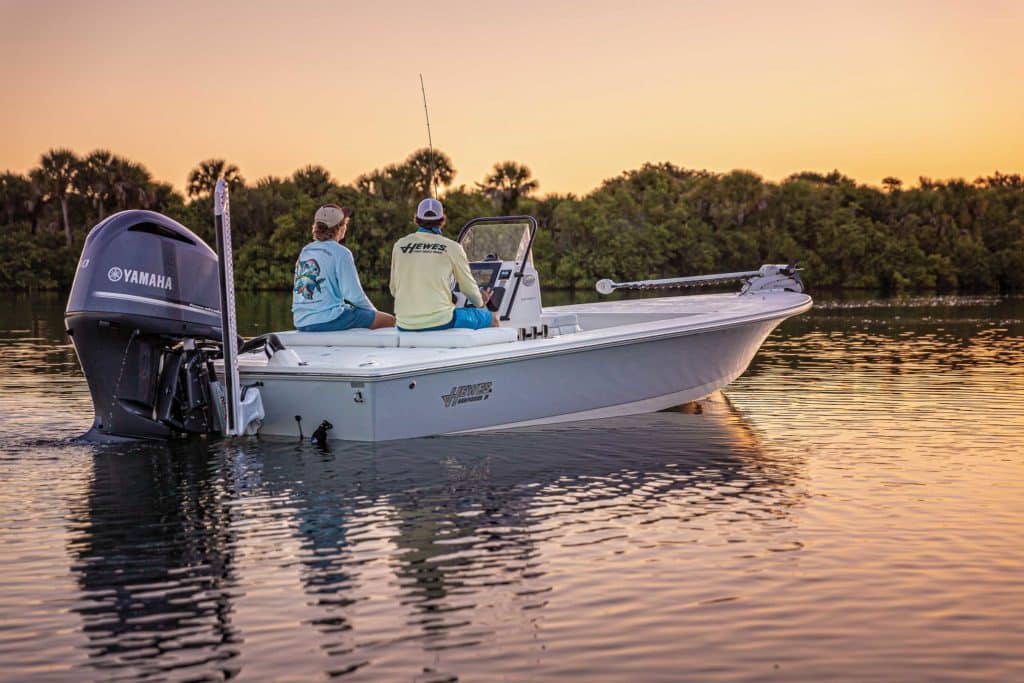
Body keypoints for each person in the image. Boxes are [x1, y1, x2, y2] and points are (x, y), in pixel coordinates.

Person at [390, 198, 499, 331]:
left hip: (404, 324)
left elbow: (394, 289)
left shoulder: (399, 245)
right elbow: (468, 288)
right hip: (441, 321)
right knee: (492, 319)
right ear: (442, 220)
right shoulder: (452, 247)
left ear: (417, 219)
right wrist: (481, 303)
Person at [291, 204, 395, 331]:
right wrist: (374, 313)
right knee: (389, 321)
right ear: (339, 228)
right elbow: (354, 295)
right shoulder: (342, 253)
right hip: (329, 319)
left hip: (301, 322)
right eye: (345, 224)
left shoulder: (306, 251)